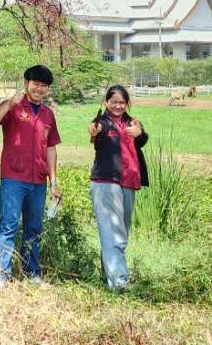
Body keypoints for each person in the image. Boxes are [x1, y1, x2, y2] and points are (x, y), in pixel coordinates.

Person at [0, 64, 61, 288]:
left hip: (38, 180)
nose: (39, 88)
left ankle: (32, 273)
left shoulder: (48, 114)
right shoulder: (13, 107)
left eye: (44, 85)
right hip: (14, 177)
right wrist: (8, 104)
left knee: (34, 228)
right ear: (26, 83)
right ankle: (0, 275)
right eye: (35, 83)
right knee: (8, 225)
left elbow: (51, 148)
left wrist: (53, 181)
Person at [87, 84, 148, 291]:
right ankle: (120, 283)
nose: (118, 106)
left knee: (120, 232)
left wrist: (138, 133)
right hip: (106, 183)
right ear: (106, 102)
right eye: (114, 102)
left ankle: (109, 278)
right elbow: (95, 131)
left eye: (122, 102)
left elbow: (143, 139)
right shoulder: (103, 122)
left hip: (129, 182)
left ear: (127, 103)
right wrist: (94, 130)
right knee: (114, 233)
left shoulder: (132, 123)